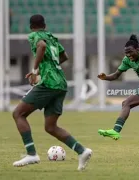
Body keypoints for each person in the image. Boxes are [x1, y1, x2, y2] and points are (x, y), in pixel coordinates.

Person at [12, 14, 92, 171]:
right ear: (45, 25)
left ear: (31, 27)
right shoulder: (52, 38)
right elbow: (64, 56)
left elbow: (41, 46)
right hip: (61, 83)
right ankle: (82, 151)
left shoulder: (35, 35)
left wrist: (35, 70)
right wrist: (49, 68)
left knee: (18, 114)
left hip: (49, 83)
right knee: (50, 127)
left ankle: (31, 154)